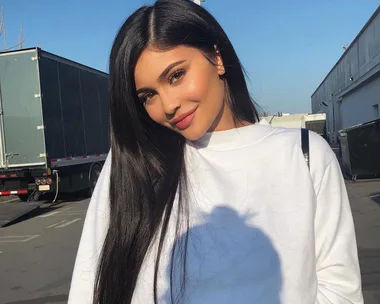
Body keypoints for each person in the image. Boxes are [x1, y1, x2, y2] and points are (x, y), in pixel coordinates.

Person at [68, 0, 363, 303]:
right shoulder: (136, 164)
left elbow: (339, 290)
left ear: (217, 57)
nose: (168, 105)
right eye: (148, 96)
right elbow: (89, 287)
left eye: (176, 75)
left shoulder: (305, 155)